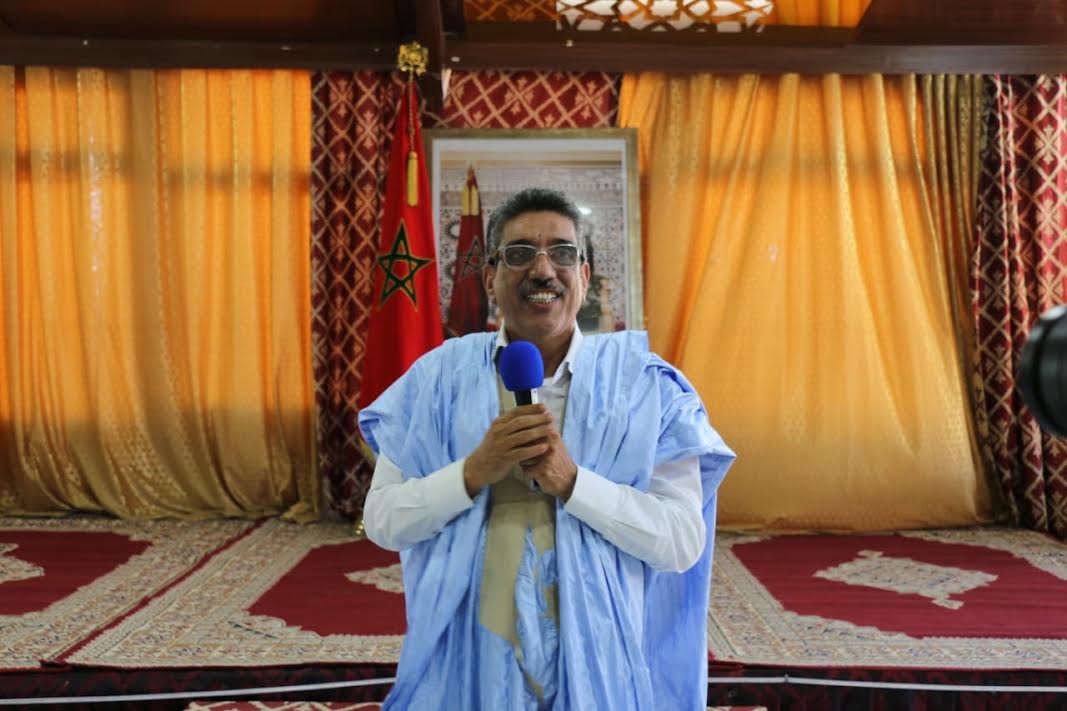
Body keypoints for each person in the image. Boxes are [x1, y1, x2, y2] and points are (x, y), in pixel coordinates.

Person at [359, 187, 735, 710]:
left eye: (562, 252)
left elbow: (681, 542)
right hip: (468, 670)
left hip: (597, 666)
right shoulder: (435, 381)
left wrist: (574, 484)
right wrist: (471, 473)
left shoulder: (645, 388)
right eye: (519, 254)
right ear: (490, 277)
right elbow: (383, 522)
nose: (542, 270)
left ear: (584, 275)